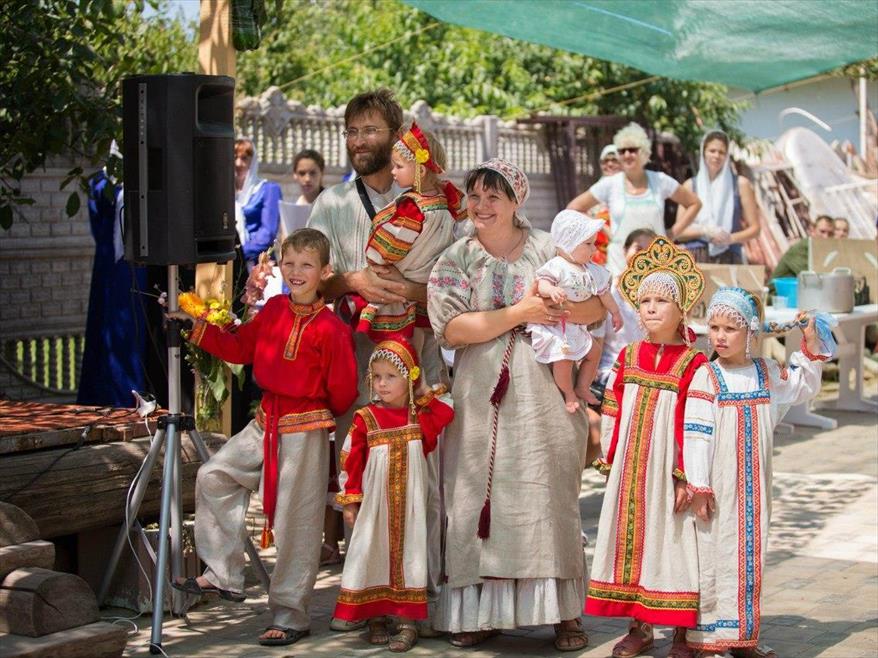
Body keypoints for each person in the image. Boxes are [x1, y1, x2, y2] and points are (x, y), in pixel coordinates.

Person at [427, 159, 604, 652]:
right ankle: (481, 612)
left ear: (515, 201)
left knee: (547, 494)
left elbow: (596, 308)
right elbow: (451, 328)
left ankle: (563, 612)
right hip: (481, 388)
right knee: (477, 498)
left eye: (493, 197)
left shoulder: (550, 248)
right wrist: (520, 312)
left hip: (547, 388)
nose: (481, 206)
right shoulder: (457, 257)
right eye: (475, 196)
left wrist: (559, 310)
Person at [170, 228, 358, 647]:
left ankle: (292, 615)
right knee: (214, 476)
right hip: (265, 420)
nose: (296, 271)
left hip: (305, 430)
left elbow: (344, 391)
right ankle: (224, 573)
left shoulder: (332, 329)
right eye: (289, 263)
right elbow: (240, 349)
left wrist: (315, 412)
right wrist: (199, 329)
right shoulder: (273, 310)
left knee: (296, 524)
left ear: (325, 272)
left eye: (306, 264)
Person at [308, 88, 449, 635]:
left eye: (370, 130)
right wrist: (355, 281)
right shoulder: (332, 204)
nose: (359, 141)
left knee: (422, 482)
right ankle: (366, 599)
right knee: (361, 481)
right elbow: (309, 282)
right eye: (351, 131)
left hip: (419, 360)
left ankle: (422, 599)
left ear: (395, 136)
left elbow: (452, 283)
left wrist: (409, 291)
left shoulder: (431, 204)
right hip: (359, 362)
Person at [684, 288, 832, 658]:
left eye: (730, 329)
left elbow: (802, 385)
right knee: (715, 555)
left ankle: (742, 638)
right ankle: (710, 642)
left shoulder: (766, 373)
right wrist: (699, 485)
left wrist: (810, 343)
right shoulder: (707, 377)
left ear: (750, 332)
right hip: (718, 488)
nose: (719, 336)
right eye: (714, 327)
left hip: (755, 489)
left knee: (750, 556)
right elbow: (696, 435)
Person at [585, 236, 708, 658]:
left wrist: (685, 475)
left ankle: (682, 632)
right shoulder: (629, 356)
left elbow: (694, 423)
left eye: (662, 300)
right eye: (645, 301)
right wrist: (610, 457)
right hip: (631, 470)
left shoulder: (693, 362)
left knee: (673, 543)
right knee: (632, 542)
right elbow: (613, 407)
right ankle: (640, 626)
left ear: (682, 308)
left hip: (668, 471)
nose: (651, 308)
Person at [334, 338, 454, 653]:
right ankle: (375, 617)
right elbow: (351, 461)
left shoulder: (420, 416)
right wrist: (352, 501)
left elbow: (446, 413)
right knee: (373, 554)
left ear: (410, 378)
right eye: (376, 376)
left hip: (411, 509)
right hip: (376, 508)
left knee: (408, 557)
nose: (382, 384)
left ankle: (405, 622)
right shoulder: (366, 417)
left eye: (391, 376)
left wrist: (422, 388)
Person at [357, 121, 467, 348]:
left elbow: (385, 250)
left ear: (421, 171)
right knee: (426, 347)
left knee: (402, 349)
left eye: (398, 166)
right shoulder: (446, 195)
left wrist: (375, 260)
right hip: (431, 285)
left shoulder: (412, 209)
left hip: (405, 285)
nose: (393, 172)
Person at [566, 122, 702, 275]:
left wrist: (672, 233)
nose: (627, 155)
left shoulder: (660, 180)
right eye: (622, 151)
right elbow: (574, 208)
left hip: (656, 262)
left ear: (644, 152)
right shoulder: (609, 184)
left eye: (632, 150)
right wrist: (603, 227)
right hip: (619, 264)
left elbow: (694, 203)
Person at [528, 209, 622, 412]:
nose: (594, 248)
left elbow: (605, 293)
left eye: (594, 243)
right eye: (588, 244)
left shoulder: (591, 269)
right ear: (568, 244)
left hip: (578, 328)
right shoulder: (557, 266)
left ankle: (582, 386)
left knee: (594, 353)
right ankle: (568, 392)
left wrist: (615, 312)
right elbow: (541, 284)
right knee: (563, 362)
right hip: (559, 330)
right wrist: (551, 290)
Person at [582, 228, 656, 465]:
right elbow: (596, 343)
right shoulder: (608, 292)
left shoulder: (661, 297)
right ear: (625, 251)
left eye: (651, 251)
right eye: (638, 248)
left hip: (648, 375)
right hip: (610, 376)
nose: (644, 255)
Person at [673, 130, 761, 264]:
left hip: (729, 257)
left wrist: (730, 238)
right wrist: (705, 231)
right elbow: (679, 232)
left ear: (727, 156)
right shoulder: (690, 186)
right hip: (695, 258)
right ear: (703, 152)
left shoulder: (740, 184)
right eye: (712, 151)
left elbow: (755, 229)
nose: (716, 156)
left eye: (722, 152)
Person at [235, 137, 283, 268]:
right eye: (234, 157)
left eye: (244, 158)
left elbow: (267, 233)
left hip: (259, 265)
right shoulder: (226, 193)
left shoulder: (269, 190)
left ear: (253, 161)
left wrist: (238, 254)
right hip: (230, 265)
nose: (238, 163)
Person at [770, 214, 836, 284]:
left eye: (830, 234)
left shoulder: (820, 250)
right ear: (813, 230)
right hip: (779, 289)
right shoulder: (802, 248)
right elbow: (810, 277)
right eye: (822, 231)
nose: (826, 237)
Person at [590, 144, 622, 265]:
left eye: (614, 160)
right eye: (605, 161)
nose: (609, 164)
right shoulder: (595, 190)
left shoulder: (631, 189)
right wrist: (603, 227)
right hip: (599, 251)